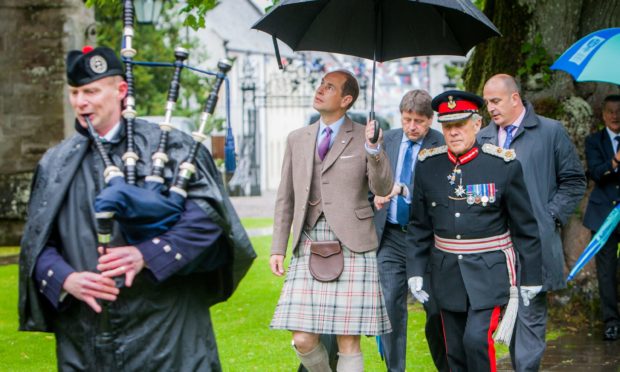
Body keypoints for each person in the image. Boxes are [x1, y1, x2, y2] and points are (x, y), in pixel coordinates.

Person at [18, 46, 256, 371]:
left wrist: (146, 254)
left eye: (90, 91)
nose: (80, 102)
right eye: (74, 92)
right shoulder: (55, 163)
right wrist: (65, 278)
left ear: (121, 90)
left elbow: (212, 223)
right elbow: (37, 243)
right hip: (86, 334)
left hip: (167, 332)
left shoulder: (172, 147)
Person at [407, 90, 543, 371]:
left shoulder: (502, 165)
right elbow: (419, 227)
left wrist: (531, 276)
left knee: (476, 341)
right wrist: (416, 271)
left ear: (477, 124)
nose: (453, 132)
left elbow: (525, 227)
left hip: (489, 272)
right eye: (447, 127)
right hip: (446, 274)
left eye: (460, 125)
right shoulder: (427, 165)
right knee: (454, 349)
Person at [270, 69, 393, 371]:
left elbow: (382, 188)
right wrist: (277, 248)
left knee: (347, 340)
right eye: (320, 85)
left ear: (346, 99)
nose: (320, 90)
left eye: (329, 87)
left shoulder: (366, 135)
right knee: (302, 338)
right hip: (308, 240)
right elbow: (286, 197)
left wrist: (374, 150)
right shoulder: (297, 139)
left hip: (352, 241)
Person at [479, 74, 586, 371]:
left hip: (534, 244)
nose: (490, 108)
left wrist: (550, 216)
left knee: (529, 321)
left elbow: (574, 181)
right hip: (493, 246)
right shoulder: (483, 136)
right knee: (498, 324)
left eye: (495, 101)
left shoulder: (550, 131)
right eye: (487, 102)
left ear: (515, 98)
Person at [372, 90, 447, 372]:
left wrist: (404, 189)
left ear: (430, 120)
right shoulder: (387, 139)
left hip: (426, 241)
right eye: (407, 120)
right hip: (390, 237)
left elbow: (440, 188)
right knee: (390, 308)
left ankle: (447, 365)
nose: (412, 127)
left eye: (419, 121)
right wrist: (376, 195)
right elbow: (372, 177)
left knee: (435, 310)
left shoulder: (441, 144)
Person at [583, 94, 620, 341]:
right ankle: (611, 322)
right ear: (603, 114)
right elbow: (596, 173)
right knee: (606, 272)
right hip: (604, 215)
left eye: (619, 111)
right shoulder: (594, 141)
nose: (615, 116)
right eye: (610, 111)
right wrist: (616, 161)